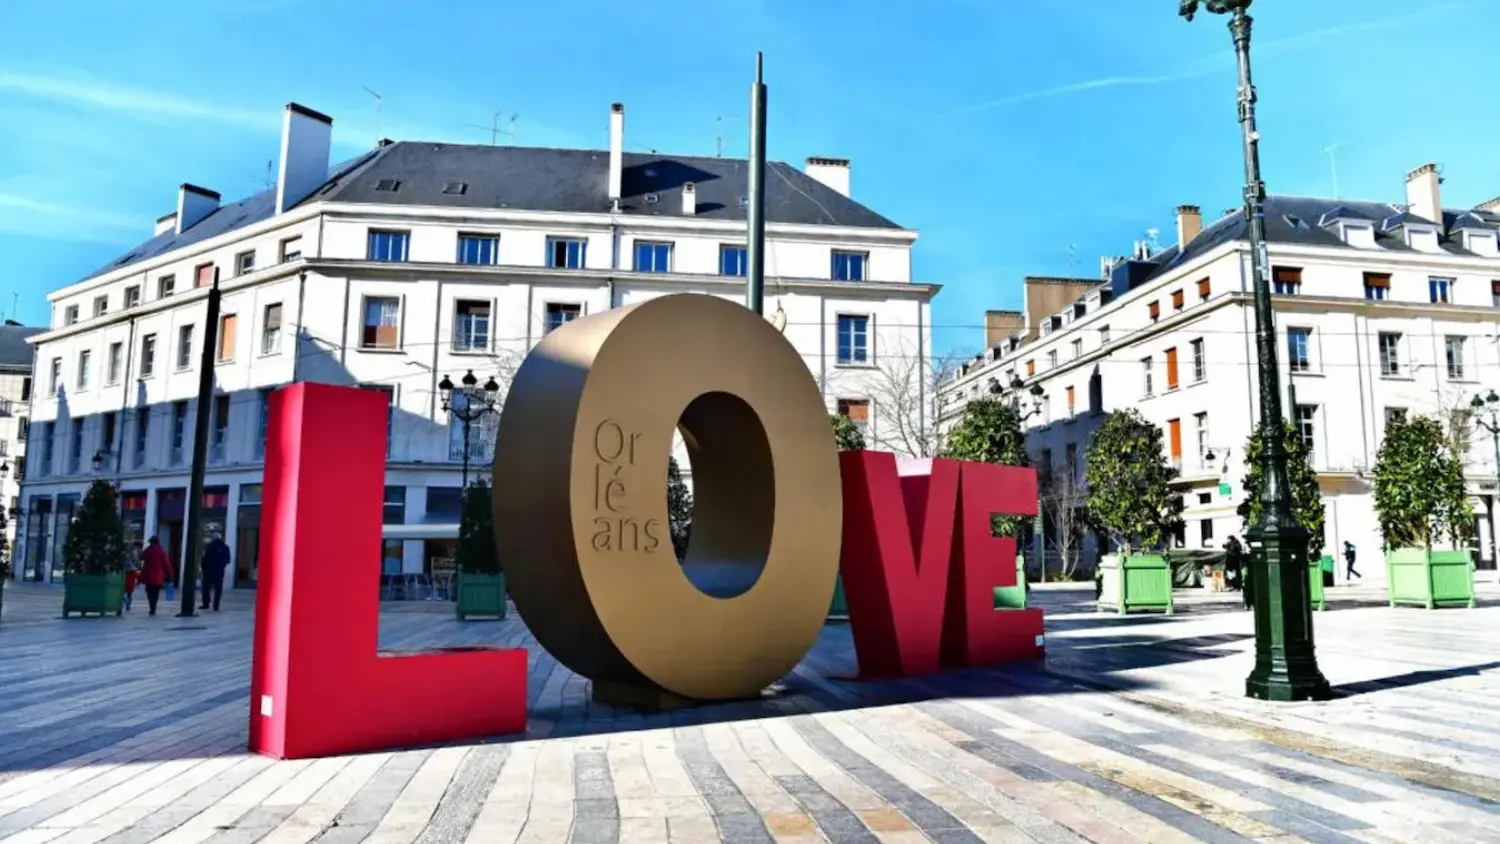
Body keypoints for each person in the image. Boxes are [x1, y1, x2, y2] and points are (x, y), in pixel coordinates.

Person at [139, 536, 174, 616]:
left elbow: (141, 557)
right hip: (158, 575)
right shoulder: (161, 551)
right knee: (156, 592)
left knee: (149, 591)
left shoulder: (148, 550)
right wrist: (170, 574)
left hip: (148, 574)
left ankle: (151, 606)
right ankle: (153, 607)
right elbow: (166, 564)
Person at [201, 533, 230, 612]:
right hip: (219, 571)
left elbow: (204, 558)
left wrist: (203, 567)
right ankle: (216, 605)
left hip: (208, 570)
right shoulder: (225, 547)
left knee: (206, 587)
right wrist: (222, 566)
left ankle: (206, 603)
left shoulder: (209, 546)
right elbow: (227, 560)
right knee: (218, 588)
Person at [122, 541, 142, 612]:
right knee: (128, 594)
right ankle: (127, 605)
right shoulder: (132, 554)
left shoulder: (128, 556)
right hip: (130, 580)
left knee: (124, 593)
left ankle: (126, 603)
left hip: (126, 580)